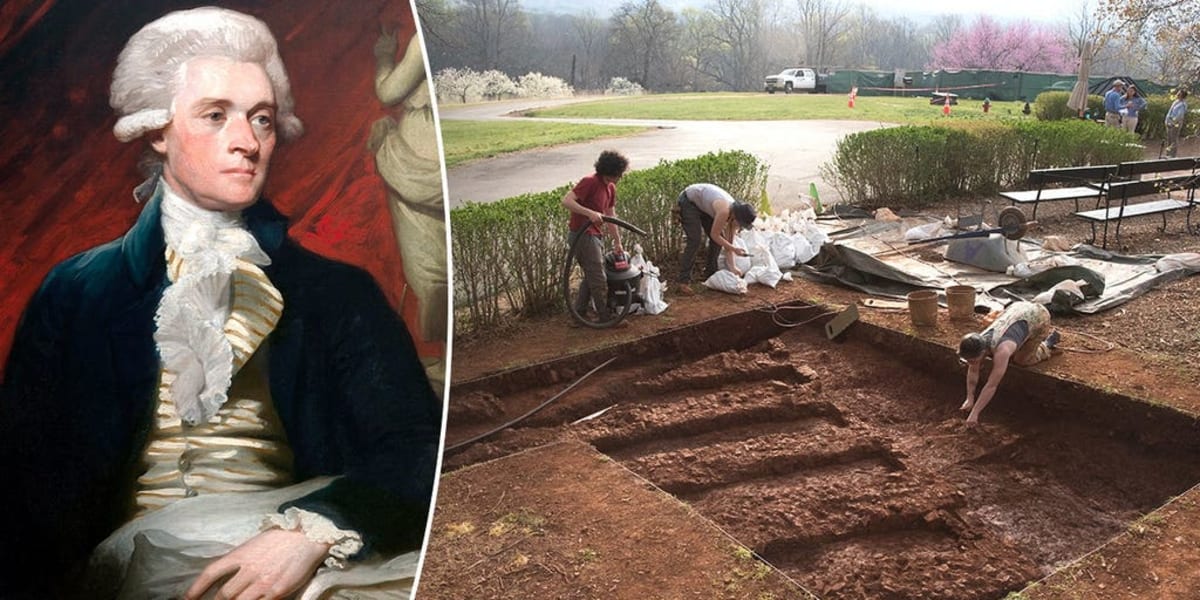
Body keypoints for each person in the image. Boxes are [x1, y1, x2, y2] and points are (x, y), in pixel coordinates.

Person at [0, 7, 441, 599]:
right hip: (130, 570)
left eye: (261, 119)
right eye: (215, 116)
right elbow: (21, 492)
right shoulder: (79, 291)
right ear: (158, 128)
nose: (247, 142)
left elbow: (418, 448)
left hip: (301, 548)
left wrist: (313, 532)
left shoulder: (335, 292)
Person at [369, 18, 447, 391]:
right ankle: (446, 356)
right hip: (426, 166)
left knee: (431, 273)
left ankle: (447, 359)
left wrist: (384, 57)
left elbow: (388, 93)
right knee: (437, 272)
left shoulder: (422, 39)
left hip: (417, 165)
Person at [958, 301, 1061, 426]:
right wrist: (970, 398)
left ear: (983, 351)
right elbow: (973, 370)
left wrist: (975, 413)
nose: (971, 363)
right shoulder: (979, 341)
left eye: (973, 360)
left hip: (1038, 317)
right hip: (1017, 309)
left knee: (1022, 360)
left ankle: (1048, 344)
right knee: (1008, 353)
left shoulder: (1003, 351)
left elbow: (992, 385)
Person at [562, 150, 630, 320]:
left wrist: (617, 242)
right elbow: (566, 201)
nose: (620, 178)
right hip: (582, 234)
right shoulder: (590, 182)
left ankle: (579, 315)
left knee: (591, 276)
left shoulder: (610, 188)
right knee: (598, 276)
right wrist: (589, 213)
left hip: (595, 235)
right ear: (610, 171)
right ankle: (604, 316)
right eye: (618, 174)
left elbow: (610, 215)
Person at [676, 182, 757, 293]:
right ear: (736, 216)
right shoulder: (724, 211)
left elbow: (728, 242)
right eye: (740, 223)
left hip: (704, 206)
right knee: (695, 240)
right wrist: (734, 249)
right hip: (689, 202)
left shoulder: (733, 218)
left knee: (719, 241)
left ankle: (710, 274)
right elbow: (715, 235)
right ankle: (683, 282)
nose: (739, 226)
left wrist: (733, 267)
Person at [1164, 89, 1189, 158]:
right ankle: (1168, 154)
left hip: (1175, 124)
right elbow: (1170, 112)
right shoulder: (1175, 102)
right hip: (1169, 123)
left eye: (1179, 93)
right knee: (1169, 138)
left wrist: (1172, 123)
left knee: (1173, 139)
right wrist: (1167, 121)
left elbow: (1179, 116)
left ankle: (1172, 155)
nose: (1177, 94)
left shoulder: (1182, 104)